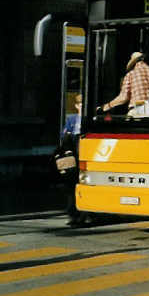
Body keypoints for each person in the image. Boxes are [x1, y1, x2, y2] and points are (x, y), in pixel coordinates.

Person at [102, 52, 149, 116]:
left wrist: (108, 106)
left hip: (138, 107)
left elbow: (123, 98)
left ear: (133, 64)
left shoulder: (130, 75)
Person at [59, 94, 87, 226]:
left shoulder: (89, 120)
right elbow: (64, 135)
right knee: (71, 185)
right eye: (80, 104)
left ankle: (84, 214)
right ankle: (72, 214)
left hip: (85, 152)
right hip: (73, 153)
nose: (83, 107)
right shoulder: (71, 119)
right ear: (76, 106)